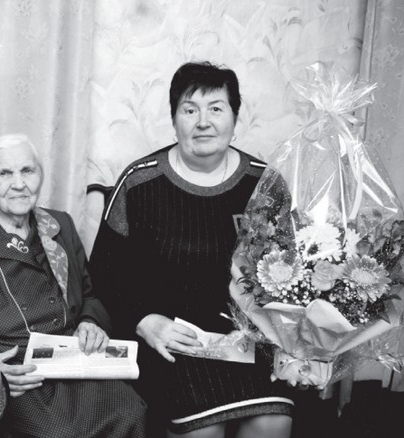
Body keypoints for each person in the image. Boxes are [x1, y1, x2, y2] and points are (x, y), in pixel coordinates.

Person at [89, 61, 294, 438]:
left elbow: (288, 273)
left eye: (216, 108)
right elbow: (104, 271)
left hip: (249, 342)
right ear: (174, 119)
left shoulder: (264, 183)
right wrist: (145, 321)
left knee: (272, 423)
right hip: (170, 340)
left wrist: (293, 339)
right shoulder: (139, 183)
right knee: (204, 431)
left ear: (234, 117)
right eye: (190, 110)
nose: (203, 122)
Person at [0, 133, 146, 438]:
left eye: (27, 171)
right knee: (58, 433)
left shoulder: (60, 225)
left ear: (40, 176)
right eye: (5, 173)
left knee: (132, 410)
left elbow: (89, 295)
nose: (19, 184)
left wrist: (89, 322)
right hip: (11, 368)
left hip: (69, 353)